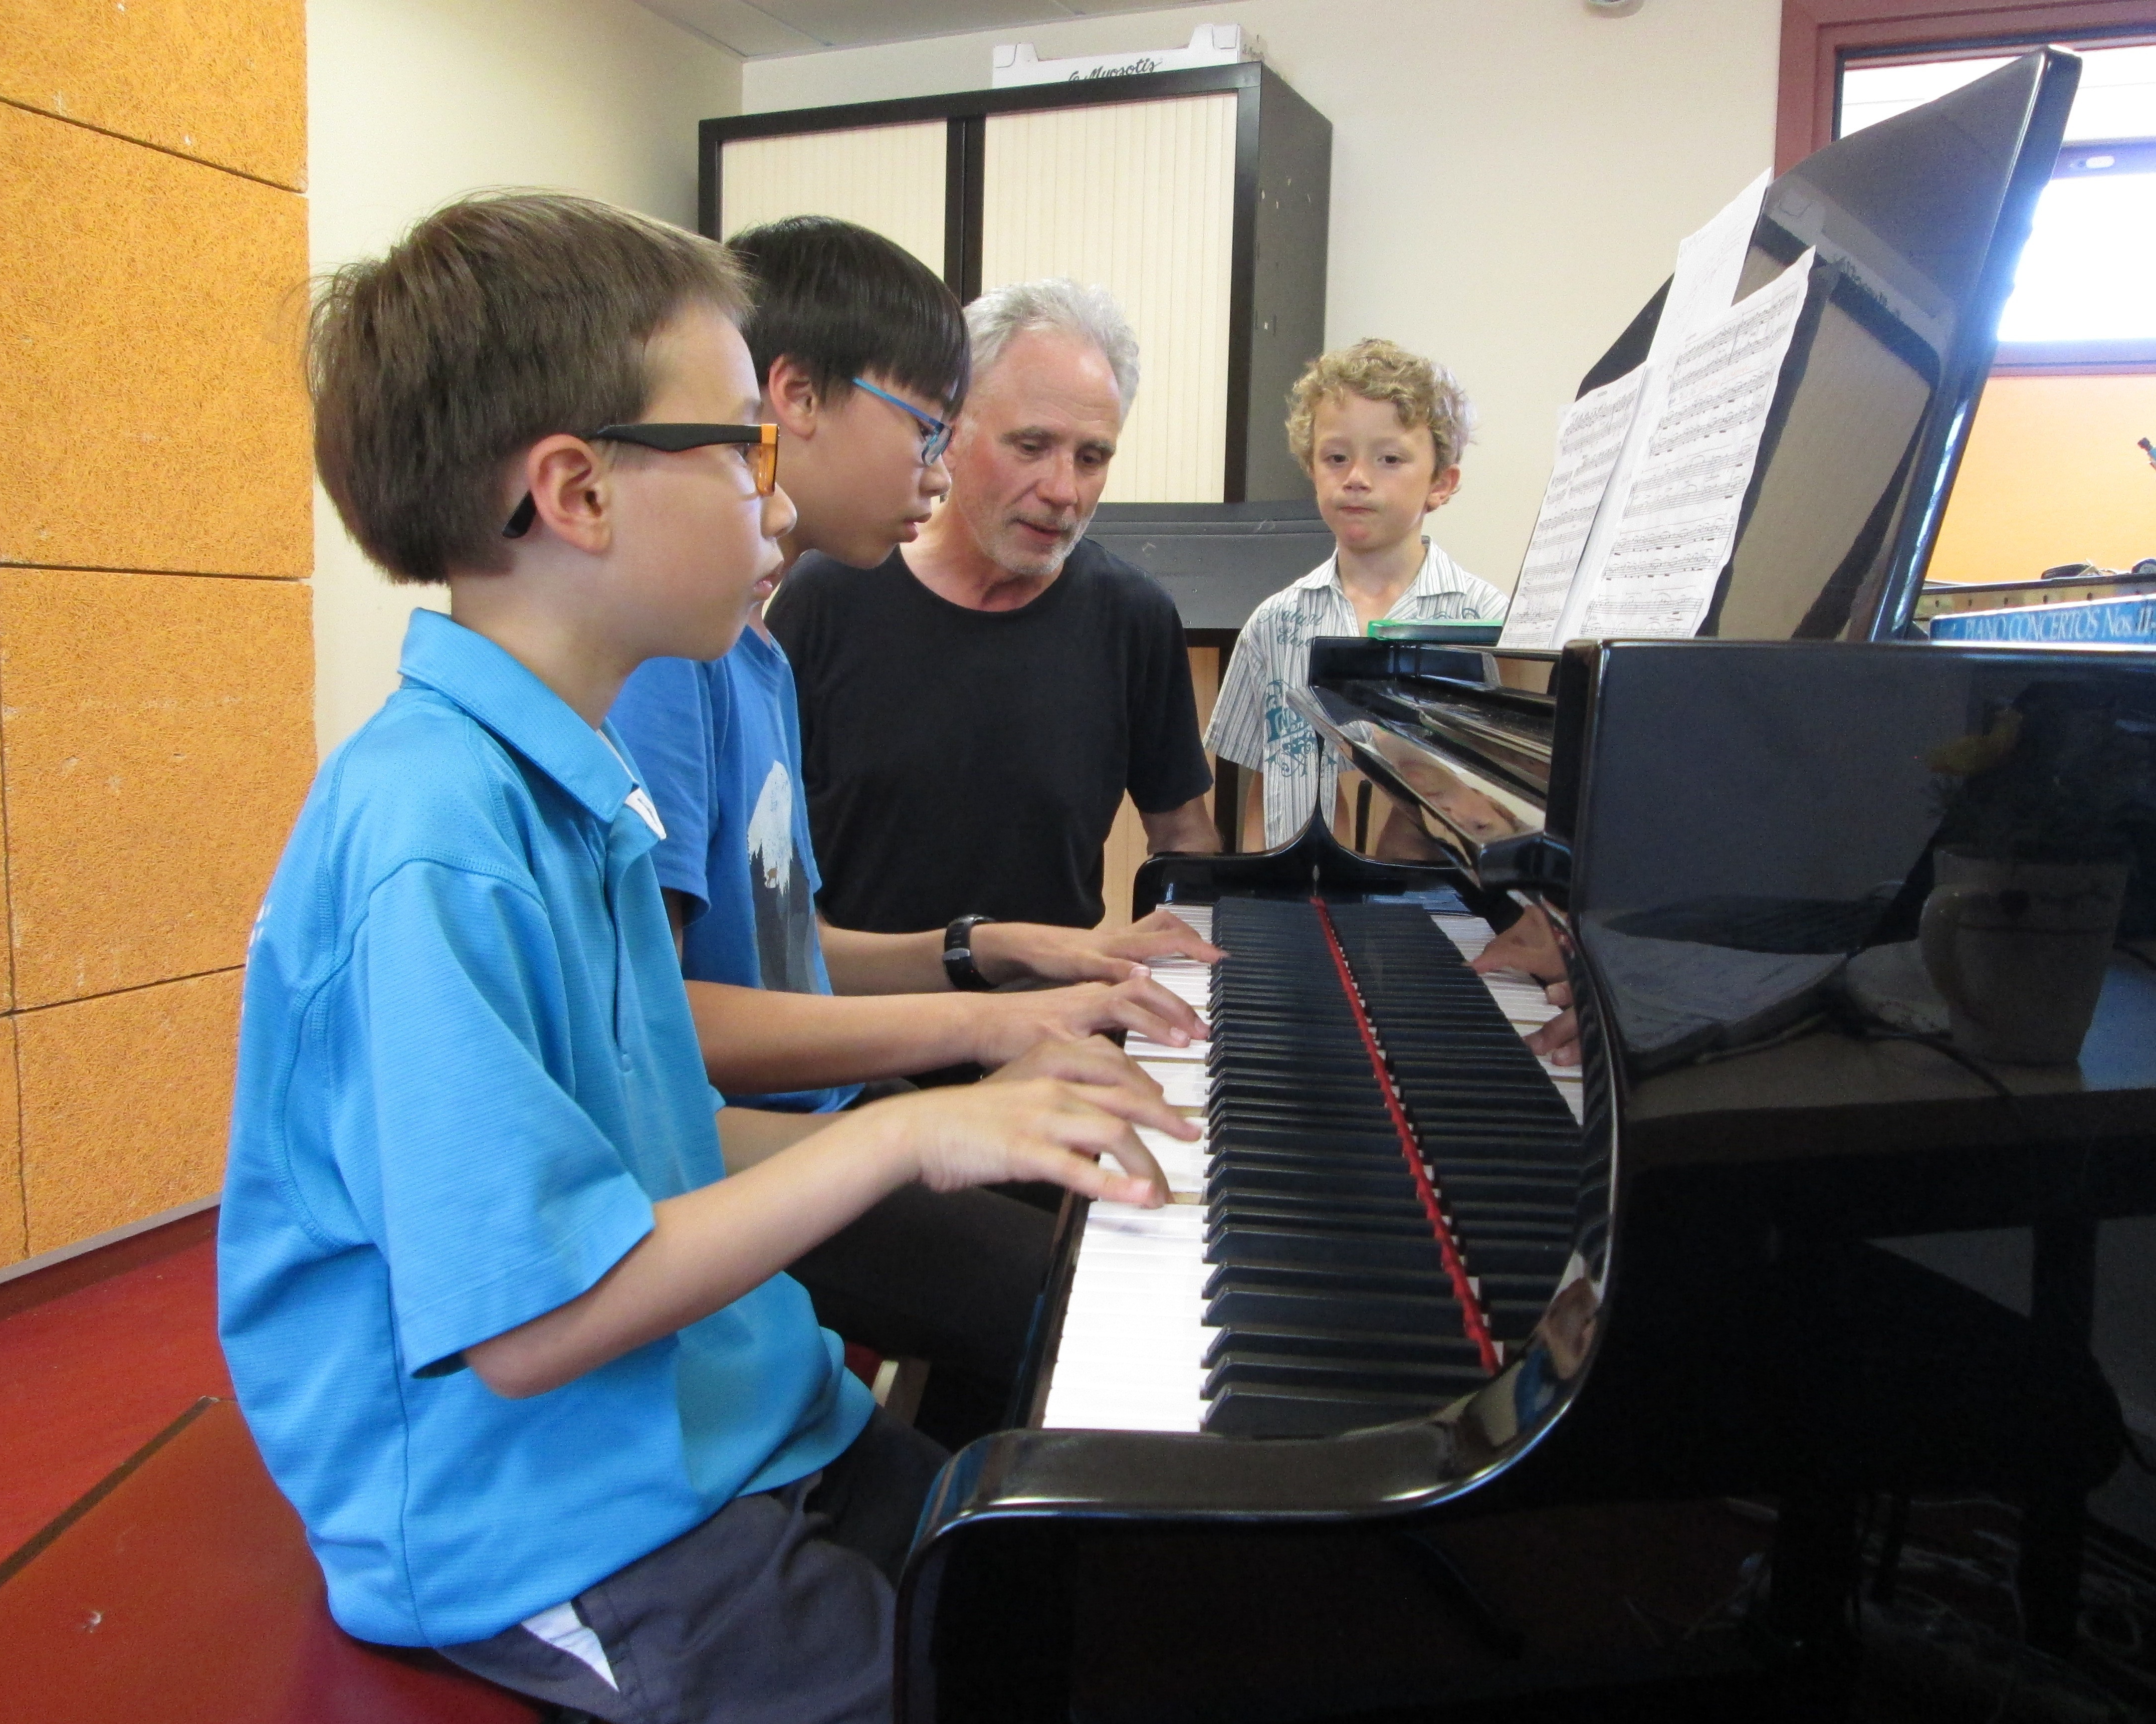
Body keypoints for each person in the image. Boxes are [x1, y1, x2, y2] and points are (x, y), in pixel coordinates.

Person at [218, 192, 1188, 1724]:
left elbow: (655, 1134)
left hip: (737, 1412)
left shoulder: (572, 777)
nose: (782, 504)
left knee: (1094, 1598)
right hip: (554, 1521)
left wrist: (955, 1104)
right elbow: (533, 1322)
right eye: (745, 447)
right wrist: (916, 1131)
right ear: (578, 494)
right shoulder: (434, 837)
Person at [605, 218, 1220, 1435]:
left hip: (830, 1095)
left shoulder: (755, 650)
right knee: (1104, 1288)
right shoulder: (687, 656)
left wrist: (998, 951)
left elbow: (789, 948)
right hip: (755, 1143)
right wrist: (973, 1039)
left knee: (1125, 1211)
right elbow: (663, 1036)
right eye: (932, 428)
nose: (936, 471)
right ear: (794, 402)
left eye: (1091, 453)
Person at [768, 278, 1220, 937]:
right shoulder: (828, 594)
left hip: (1055, 1025)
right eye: (1030, 446)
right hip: (854, 1026)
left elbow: (1185, 843)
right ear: (949, 432)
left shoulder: (1134, 619)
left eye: (1092, 457)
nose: (1064, 490)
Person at [1205, 337, 1507, 855]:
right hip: (1302, 903)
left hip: (1436, 904)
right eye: (1337, 458)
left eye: (1389, 459)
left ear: (1442, 483)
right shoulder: (1272, 623)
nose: (1357, 479)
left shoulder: (1493, 624)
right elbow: (1264, 791)